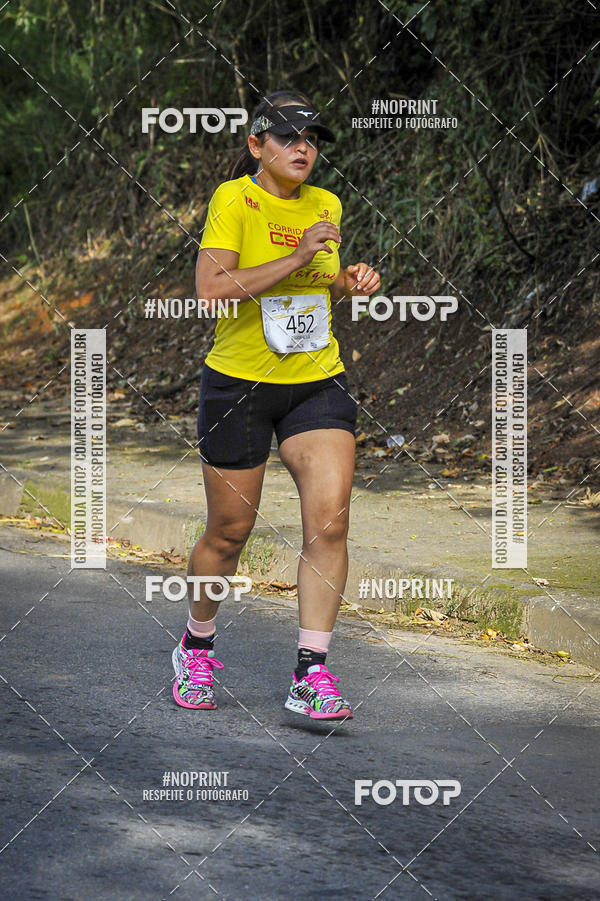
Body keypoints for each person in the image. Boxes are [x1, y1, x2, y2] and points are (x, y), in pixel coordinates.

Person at [172, 89, 381, 719]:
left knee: (331, 522)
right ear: (255, 145)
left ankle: (310, 671)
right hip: (239, 384)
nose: (302, 149)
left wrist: (351, 280)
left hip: (317, 380)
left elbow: (320, 284)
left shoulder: (327, 203)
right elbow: (211, 288)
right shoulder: (234, 199)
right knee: (229, 533)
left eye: (311, 139)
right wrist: (294, 257)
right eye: (287, 137)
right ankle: (196, 644)